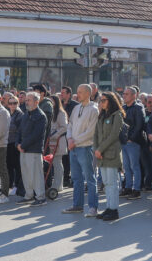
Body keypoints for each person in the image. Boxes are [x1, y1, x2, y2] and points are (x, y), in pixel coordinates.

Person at [64, 84, 101, 216]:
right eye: (77, 92)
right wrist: (69, 139)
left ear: (88, 94)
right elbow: (70, 125)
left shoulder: (94, 110)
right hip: (73, 147)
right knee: (76, 178)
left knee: (90, 178)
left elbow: (91, 132)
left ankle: (93, 207)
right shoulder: (76, 108)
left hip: (85, 148)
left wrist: (75, 141)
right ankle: (77, 205)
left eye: (80, 92)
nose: (77, 94)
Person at [93, 92, 127, 221]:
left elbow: (113, 136)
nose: (101, 102)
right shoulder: (101, 116)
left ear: (111, 101)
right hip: (101, 154)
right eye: (100, 100)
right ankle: (108, 207)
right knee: (106, 183)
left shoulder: (117, 115)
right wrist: (96, 149)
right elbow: (96, 134)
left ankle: (114, 209)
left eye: (104, 100)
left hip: (111, 153)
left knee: (112, 183)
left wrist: (100, 149)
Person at [16, 91, 48, 207]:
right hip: (23, 149)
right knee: (26, 174)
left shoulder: (40, 116)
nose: (26, 102)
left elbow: (36, 135)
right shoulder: (26, 114)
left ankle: (40, 197)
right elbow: (19, 131)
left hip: (33, 150)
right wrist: (17, 144)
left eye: (29, 100)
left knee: (36, 175)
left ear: (36, 101)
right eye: (26, 100)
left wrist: (22, 145)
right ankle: (28, 196)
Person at [119, 87, 147, 200]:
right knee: (126, 166)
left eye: (126, 94)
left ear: (134, 96)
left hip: (133, 142)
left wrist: (131, 138)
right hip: (124, 142)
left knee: (134, 166)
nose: (124, 96)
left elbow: (139, 125)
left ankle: (137, 190)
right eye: (123, 94)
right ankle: (128, 187)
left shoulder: (138, 107)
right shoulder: (124, 107)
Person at [45, 96, 69, 193]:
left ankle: (58, 185)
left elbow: (64, 127)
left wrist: (54, 135)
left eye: (52, 101)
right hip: (50, 142)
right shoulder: (51, 112)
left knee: (57, 163)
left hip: (58, 141)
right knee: (52, 164)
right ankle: (54, 184)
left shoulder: (60, 113)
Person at [4, 93, 26, 197]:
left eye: (15, 103)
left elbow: (17, 129)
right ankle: (10, 185)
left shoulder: (20, 114)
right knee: (9, 166)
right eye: (11, 103)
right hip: (8, 143)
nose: (13, 105)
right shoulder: (8, 113)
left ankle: (17, 185)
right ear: (8, 104)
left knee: (17, 166)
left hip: (15, 143)